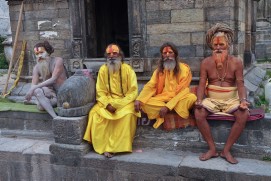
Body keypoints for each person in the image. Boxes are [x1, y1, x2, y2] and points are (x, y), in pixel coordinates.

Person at [194, 23, 250, 164]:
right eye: (215, 45)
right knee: (198, 113)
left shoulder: (237, 62)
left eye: (222, 45)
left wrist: (243, 100)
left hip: (231, 100)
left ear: (228, 45)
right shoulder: (206, 63)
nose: (218, 48)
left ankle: (226, 150)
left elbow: (240, 83)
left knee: (244, 114)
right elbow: (201, 83)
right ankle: (212, 149)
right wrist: (199, 100)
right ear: (212, 46)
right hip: (212, 100)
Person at [83, 44, 140, 158]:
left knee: (127, 115)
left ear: (120, 55)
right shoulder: (103, 70)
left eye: (115, 53)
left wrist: (118, 104)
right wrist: (107, 104)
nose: (112, 56)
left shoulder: (128, 70)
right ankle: (103, 146)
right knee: (95, 114)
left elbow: (133, 92)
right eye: (109, 54)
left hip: (125, 102)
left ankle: (115, 148)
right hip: (107, 101)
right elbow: (100, 91)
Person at [134, 42, 197, 129]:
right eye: (164, 53)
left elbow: (183, 91)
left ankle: (168, 109)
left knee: (192, 97)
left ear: (175, 55)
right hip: (162, 100)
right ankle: (174, 110)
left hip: (178, 99)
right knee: (144, 103)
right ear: (162, 56)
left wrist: (168, 106)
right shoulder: (158, 71)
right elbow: (150, 86)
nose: (167, 55)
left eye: (170, 52)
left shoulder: (184, 69)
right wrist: (139, 99)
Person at [25, 41, 67, 118]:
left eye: (41, 52)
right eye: (37, 54)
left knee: (41, 105)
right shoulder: (36, 67)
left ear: (48, 52)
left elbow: (53, 79)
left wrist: (35, 88)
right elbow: (33, 85)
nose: (39, 56)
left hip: (62, 94)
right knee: (38, 92)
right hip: (51, 96)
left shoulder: (58, 61)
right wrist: (42, 89)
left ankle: (37, 102)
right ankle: (55, 117)